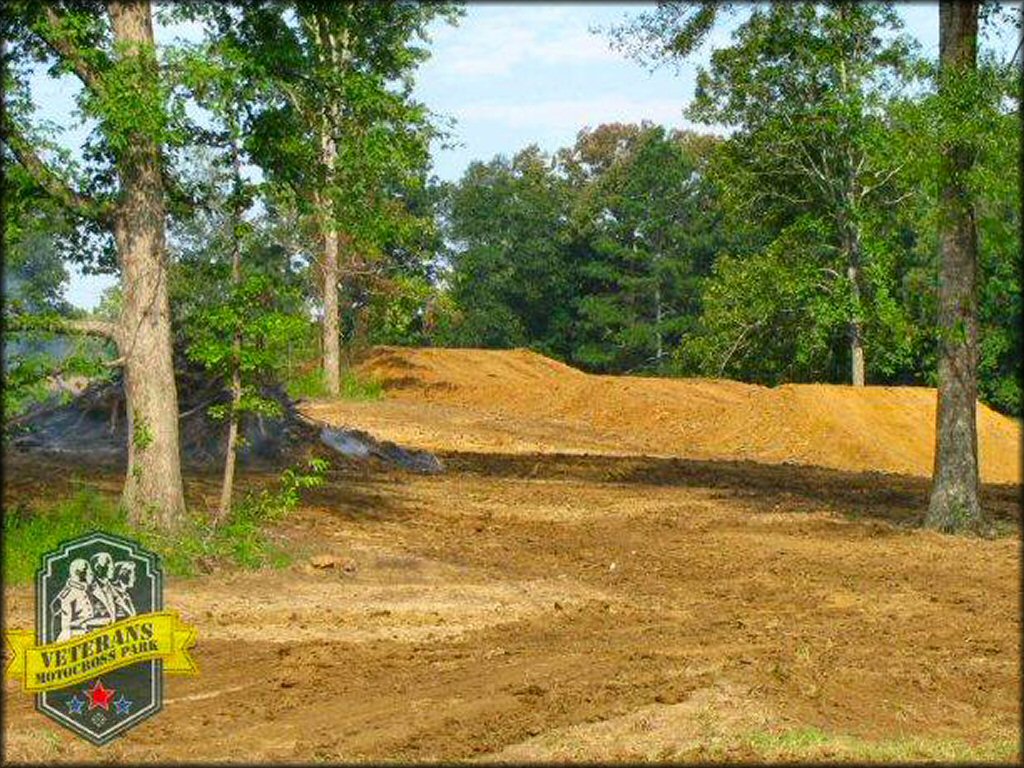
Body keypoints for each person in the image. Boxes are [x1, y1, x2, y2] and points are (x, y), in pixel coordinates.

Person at [51, 559, 95, 642]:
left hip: (86, 633)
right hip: (73, 636)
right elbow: (65, 621)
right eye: (86, 570)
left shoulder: (84, 590)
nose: (90, 572)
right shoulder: (69, 592)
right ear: (77, 572)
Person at [88, 551, 119, 627]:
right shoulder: (88, 589)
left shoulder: (111, 588)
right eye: (108, 563)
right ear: (97, 568)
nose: (112, 567)